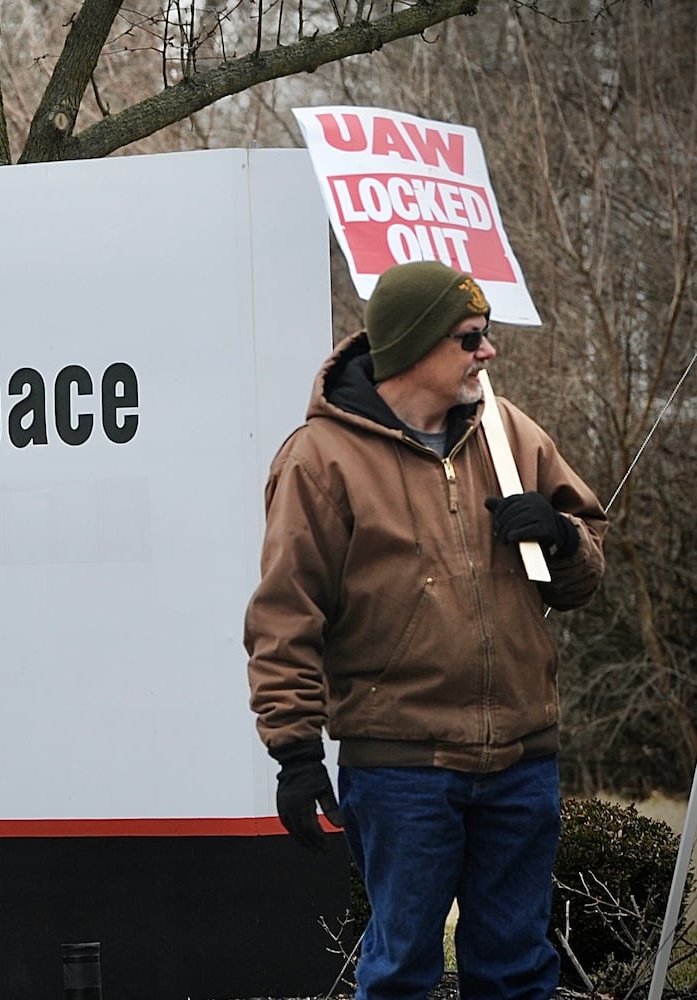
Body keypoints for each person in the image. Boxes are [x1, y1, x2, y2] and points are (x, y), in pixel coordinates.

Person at [244, 260, 607, 1000]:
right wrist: (293, 753)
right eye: (470, 337)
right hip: (400, 767)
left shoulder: (509, 433)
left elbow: (585, 572)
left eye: (485, 334)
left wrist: (563, 538)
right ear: (413, 347)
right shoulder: (320, 461)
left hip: (522, 756)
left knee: (516, 970)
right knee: (401, 970)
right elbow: (285, 615)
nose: (487, 352)